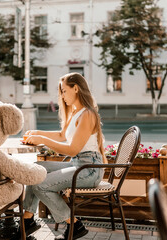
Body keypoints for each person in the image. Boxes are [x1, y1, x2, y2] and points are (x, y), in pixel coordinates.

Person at [22, 72, 107, 240]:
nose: (61, 95)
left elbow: (72, 149)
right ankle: (27, 220)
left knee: (41, 185)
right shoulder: (76, 112)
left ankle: (74, 225)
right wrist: (37, 133)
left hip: (89, 169)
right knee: (35, 170)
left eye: (64, 91)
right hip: (79, 165)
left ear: (75, 88)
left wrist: (42, 139)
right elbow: (62, 135)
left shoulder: (88, 114)